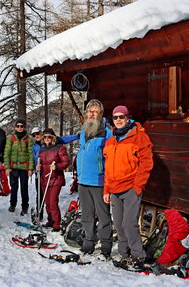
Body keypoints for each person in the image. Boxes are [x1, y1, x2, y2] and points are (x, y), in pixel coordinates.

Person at [103, 105, 153, 268]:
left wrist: (138, 186)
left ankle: (138, 256)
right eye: (115, 117)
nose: (118, 120)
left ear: (127, 118)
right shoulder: (110, 141)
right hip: (114, 189)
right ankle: (124, 254)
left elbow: (146, 163)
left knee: (129, 223)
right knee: (118, 224)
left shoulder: (139, 137)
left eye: (121, 117)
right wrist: (107, 189)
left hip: (131, 188)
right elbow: (108, 168)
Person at [76, 99, 113, 257]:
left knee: (103, 215)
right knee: (86, 214)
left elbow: (111, 160)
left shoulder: (107, 133)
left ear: (101, 114)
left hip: (99, 181)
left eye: (95, 111)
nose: (92, 114)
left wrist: (108, 183)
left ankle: (106, 245)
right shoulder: (84, 131)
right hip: (83, 181)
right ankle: (88, 242)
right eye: (89, 111)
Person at [36, 128, 70, 231]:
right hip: (44, 178)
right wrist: (38, 167)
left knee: (53, 202)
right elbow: (40, 162)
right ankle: (50, 220)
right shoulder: (41, 149)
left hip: (55, 178)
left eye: (49, 137)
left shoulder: (60, 148)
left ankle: (56, 224)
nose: (47, 139)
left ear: (53, 138)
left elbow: (66, 162)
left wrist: (57, 167)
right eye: (45, 137)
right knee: (47, 202)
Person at [4, 118, 33, 216]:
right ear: (15, 127)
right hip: (13, 167)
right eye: (18, 126)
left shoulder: (28, 139)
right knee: (14, 187)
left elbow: (30, 154)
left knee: (24, 188)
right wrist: (7, 167)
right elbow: (6, 153)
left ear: (24, 127)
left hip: (24, 167)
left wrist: (30, 168)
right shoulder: (11, 138)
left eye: (21, 126)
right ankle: (12, 204)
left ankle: (25, 206)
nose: (20, 128)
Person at [31, 127, 44, 220]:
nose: (37, 136)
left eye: (38, 133)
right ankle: (39, 213)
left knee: (48, 195)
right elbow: (32, 159)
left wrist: (77, 136)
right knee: (39, 193)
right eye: (34, 135)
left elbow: (63, 139)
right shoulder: (34, 146)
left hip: (48, 172)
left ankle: (52, 217)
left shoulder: (48, 142)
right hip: (38, 172)